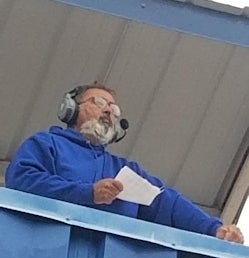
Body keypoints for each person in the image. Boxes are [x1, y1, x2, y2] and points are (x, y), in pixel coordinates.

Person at [5, 84, 244, 243]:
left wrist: (215, 229)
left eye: (114, 108)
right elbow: (22, 180)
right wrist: (88, 193)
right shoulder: (46, 144)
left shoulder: (124, 170)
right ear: (70, 109)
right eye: (99, 102)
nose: (109, 111)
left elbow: (167, 204)